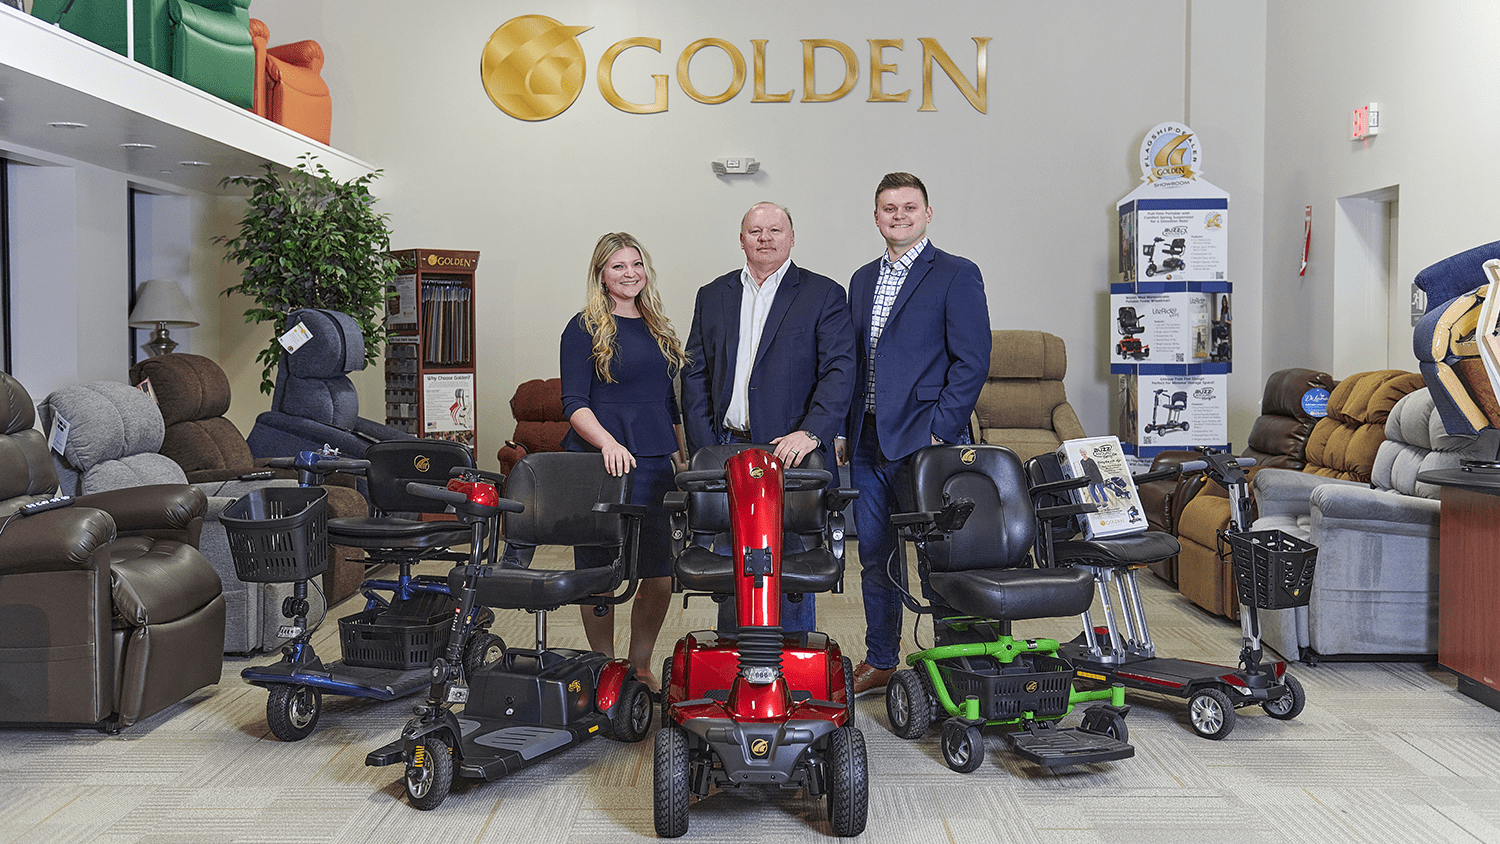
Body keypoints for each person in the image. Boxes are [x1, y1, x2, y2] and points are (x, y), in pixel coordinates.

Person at [840, 172, 992, 696]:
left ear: (927, 213)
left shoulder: (956, 273)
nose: (899, 215)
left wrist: (940, 431)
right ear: (876, 217)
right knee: (875, 556)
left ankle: (955, 662)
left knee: (939, 556)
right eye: (889, 208)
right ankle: (882, 658)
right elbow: (855, 362)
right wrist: (842, 428)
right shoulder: (862, 279)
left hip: (926, 443)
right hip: (867, 440)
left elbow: (972, 362)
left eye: (909, 207)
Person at [681, 201, 856, 634]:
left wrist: (812, 432)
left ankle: (791, 661)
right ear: (741, 240)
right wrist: (705, 446)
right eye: (755, 231)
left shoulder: (823, 293)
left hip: (789, 452)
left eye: (775, 230)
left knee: (790, 565)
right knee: (732, 562)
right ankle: (734, 656)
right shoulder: (713, 294)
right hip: (727, 448)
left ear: (791, 238)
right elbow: (695, 373)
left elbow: (839, 370)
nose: (765, 238)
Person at [559, 232, 689, 693]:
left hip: (654, 463)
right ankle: (602, 664)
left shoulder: (657, 326)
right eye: (618, 266)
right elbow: (573, 403)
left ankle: (639, 664)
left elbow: (668, 405)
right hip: (601, 463)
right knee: (599, 569)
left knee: (659, 570)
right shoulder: (583, 327)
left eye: (636, 264)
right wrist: (608, 443)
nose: (630, 273)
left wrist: (682, 461)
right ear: (601, 274)